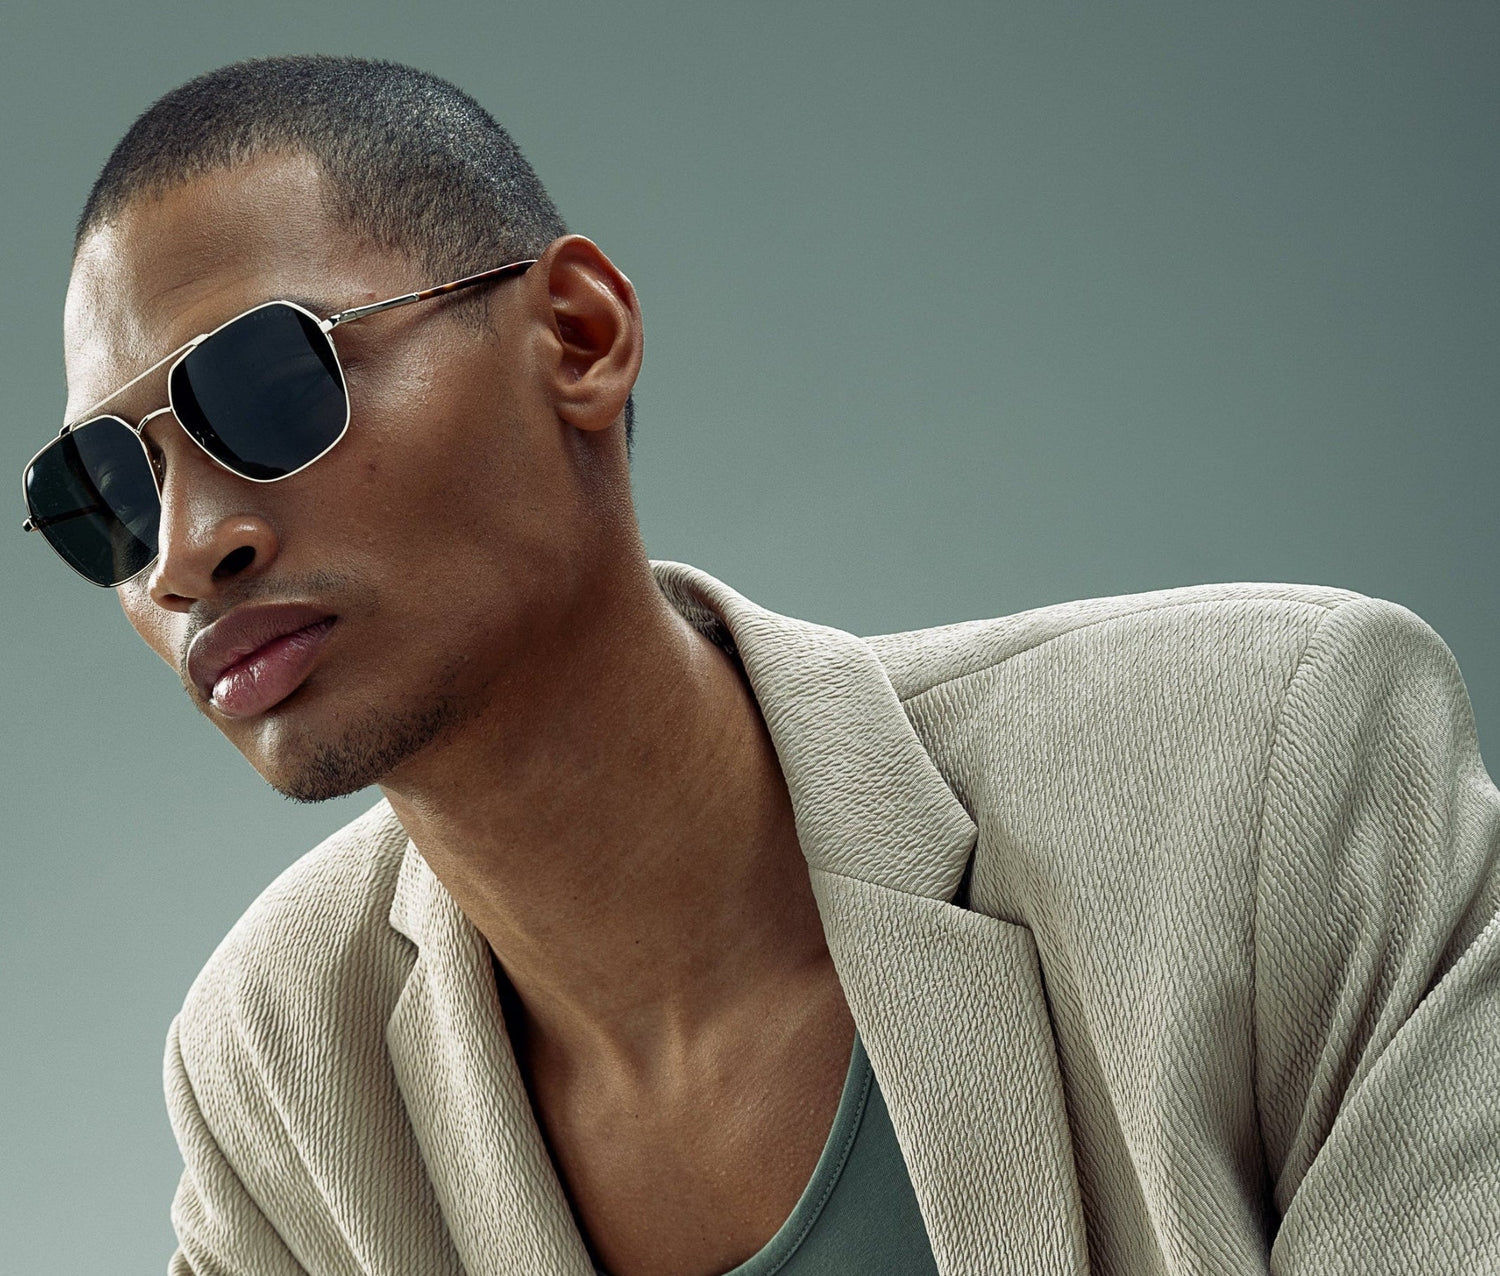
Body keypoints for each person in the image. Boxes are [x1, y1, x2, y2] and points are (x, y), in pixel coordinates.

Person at [23, 54, 1497, 1276]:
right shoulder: (283, 1074)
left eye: (266, 388)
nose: (186, 551)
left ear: (577, 337)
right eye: (107, 496)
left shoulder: (1272, 776)